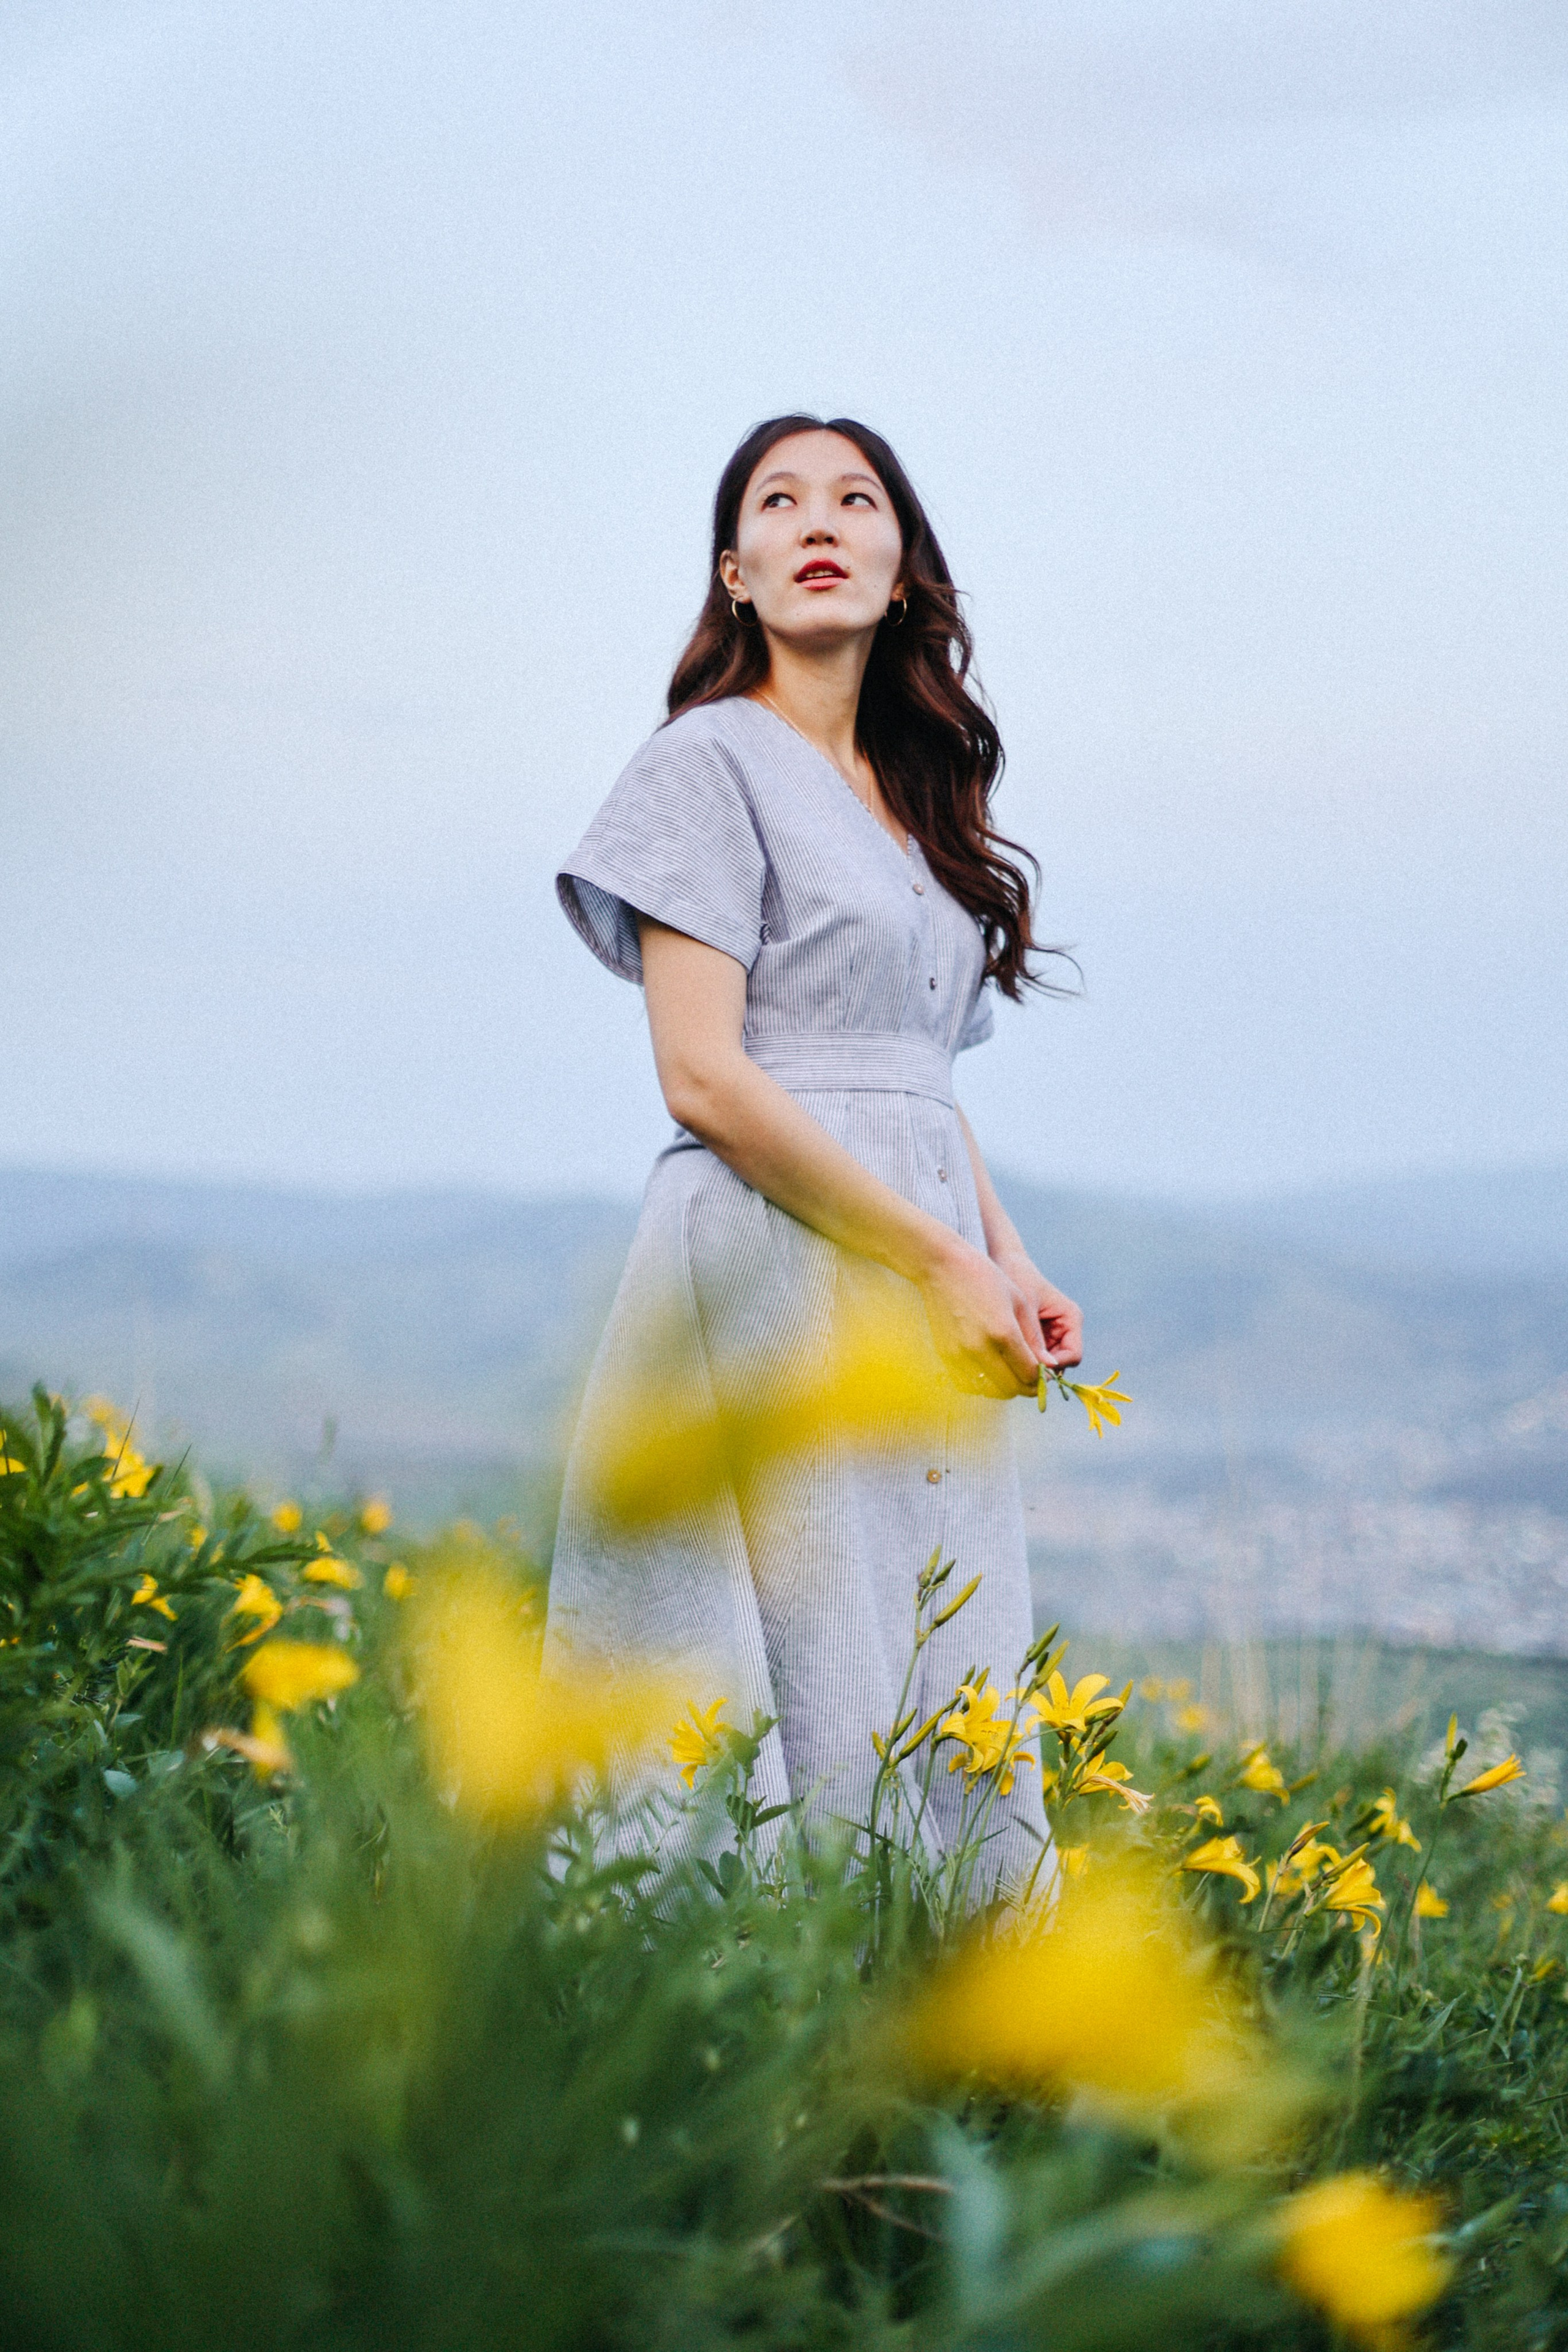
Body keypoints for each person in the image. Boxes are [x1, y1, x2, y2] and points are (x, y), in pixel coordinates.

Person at [547, 413, 1083, 1890]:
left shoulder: (915, 804)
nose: (817, 522)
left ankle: (932, 1998)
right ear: (735, 573)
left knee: (925, 1638)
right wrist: (939, 1261)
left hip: (918, 1271)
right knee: (779, 1651)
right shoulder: (704, 763)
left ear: (902, 572)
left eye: (854, 499)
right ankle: (738, 2009)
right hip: (763, 1266)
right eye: (777, 503)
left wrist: (1006, 1258)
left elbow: (916, 1079)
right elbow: (701, 1075)